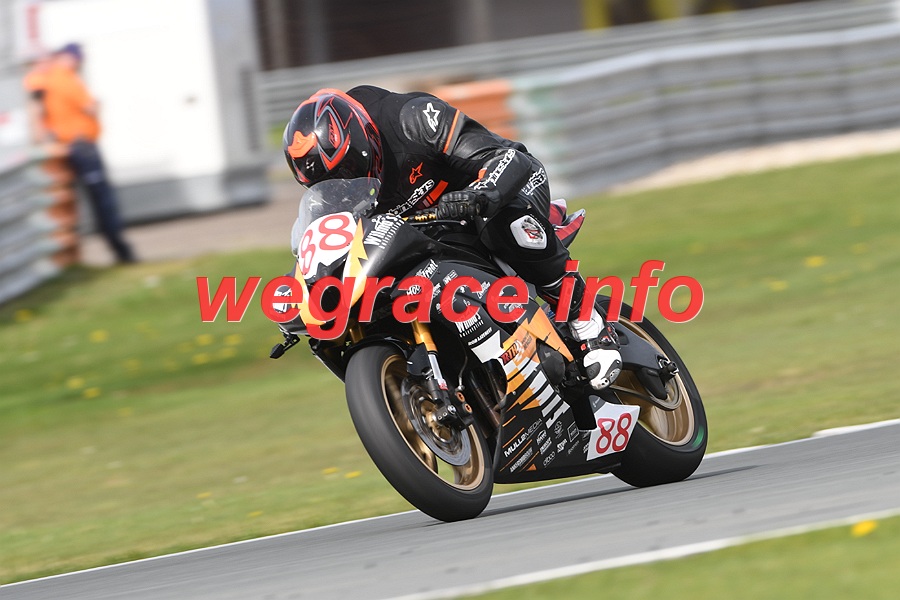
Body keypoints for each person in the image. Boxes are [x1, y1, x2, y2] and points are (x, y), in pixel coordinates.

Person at [282, 87, 620, 390]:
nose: (344, 185)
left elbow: (507, 158)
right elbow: (329, 239)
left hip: (503, 189)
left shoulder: (413, 117)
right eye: (330, 184)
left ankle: (587, 321)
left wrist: (482, 193)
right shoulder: (331, 192)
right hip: (428, 234)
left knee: (501, 222)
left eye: (347, 171)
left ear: (361, 142)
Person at [23, 43, 136, 264]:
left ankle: (97, 251)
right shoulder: (64, 78)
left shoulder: (43, 80)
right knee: (102, 199)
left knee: (72, 200)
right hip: (81, 146)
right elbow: (90, 107)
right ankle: (120, 249)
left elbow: (38, 108)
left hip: (68, 146)